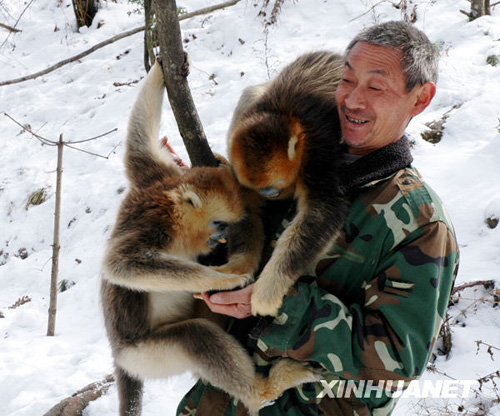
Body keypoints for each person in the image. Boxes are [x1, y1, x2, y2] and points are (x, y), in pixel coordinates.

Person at [177, 20, 459, 416]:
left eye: (375, 87)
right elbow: (243, 243)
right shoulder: (295, 159)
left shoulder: (418, 221)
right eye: (347, 80)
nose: (353, 100)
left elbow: (399, 359)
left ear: (420, 99)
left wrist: (282, 306)